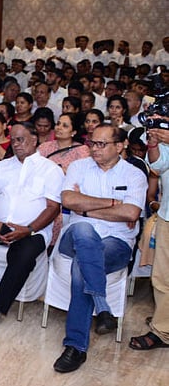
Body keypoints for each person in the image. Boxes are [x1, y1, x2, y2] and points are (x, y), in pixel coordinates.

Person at [53, 125, 146, 373]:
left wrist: (86, 207)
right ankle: (102, 307)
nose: (94, 148)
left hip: (116, 243)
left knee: (81, 268)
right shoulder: (78, 167)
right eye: (92, 142)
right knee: (84, 232)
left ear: (120, 146)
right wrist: (113, 204)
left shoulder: (134, 175)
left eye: (101, 144)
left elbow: (131, 212)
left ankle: (76, 347)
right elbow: (68, 201)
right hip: (75, 236)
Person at [0, 121, 63, 334]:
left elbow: (53, 208)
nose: (16, 144)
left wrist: (29, 229)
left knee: (23, 256)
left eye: (21, 139)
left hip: (32, 230)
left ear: (35, 140)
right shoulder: (2, 166)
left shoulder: (51, 170)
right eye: (13, 140)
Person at [131, 117, 169, 349]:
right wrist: (154, 144)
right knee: (162, 276)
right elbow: (157, 167)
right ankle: (164, 326)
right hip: (167, 213)